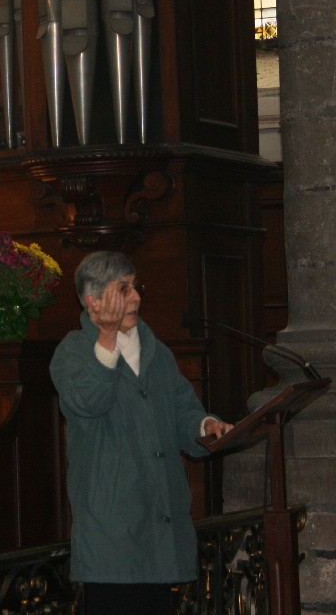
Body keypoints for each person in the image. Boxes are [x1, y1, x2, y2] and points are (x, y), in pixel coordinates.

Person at [50, 250, 233, 615]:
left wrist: (204, 425)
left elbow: (183, 410)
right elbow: (87, 402)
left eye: (136, 287)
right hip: (114, 534)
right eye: (124, 289)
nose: (136, 297)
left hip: (161, 526)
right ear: (94, 301)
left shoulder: (157, 352)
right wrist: (106, 337)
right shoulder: (73, 352)